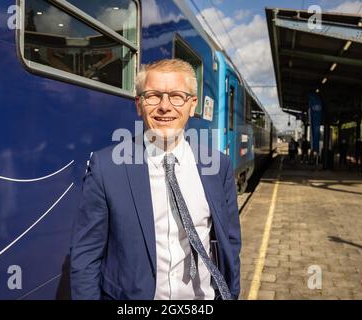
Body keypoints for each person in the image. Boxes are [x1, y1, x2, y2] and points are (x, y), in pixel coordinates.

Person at [69, 59, 241, 300]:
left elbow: (230, 242)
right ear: (139, 105)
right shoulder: (106, 168)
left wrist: (231, 294)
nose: (165, 106)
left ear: (192, 105)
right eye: (153, 96)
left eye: (177, 96)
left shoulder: (218, 166)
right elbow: (86, 255)